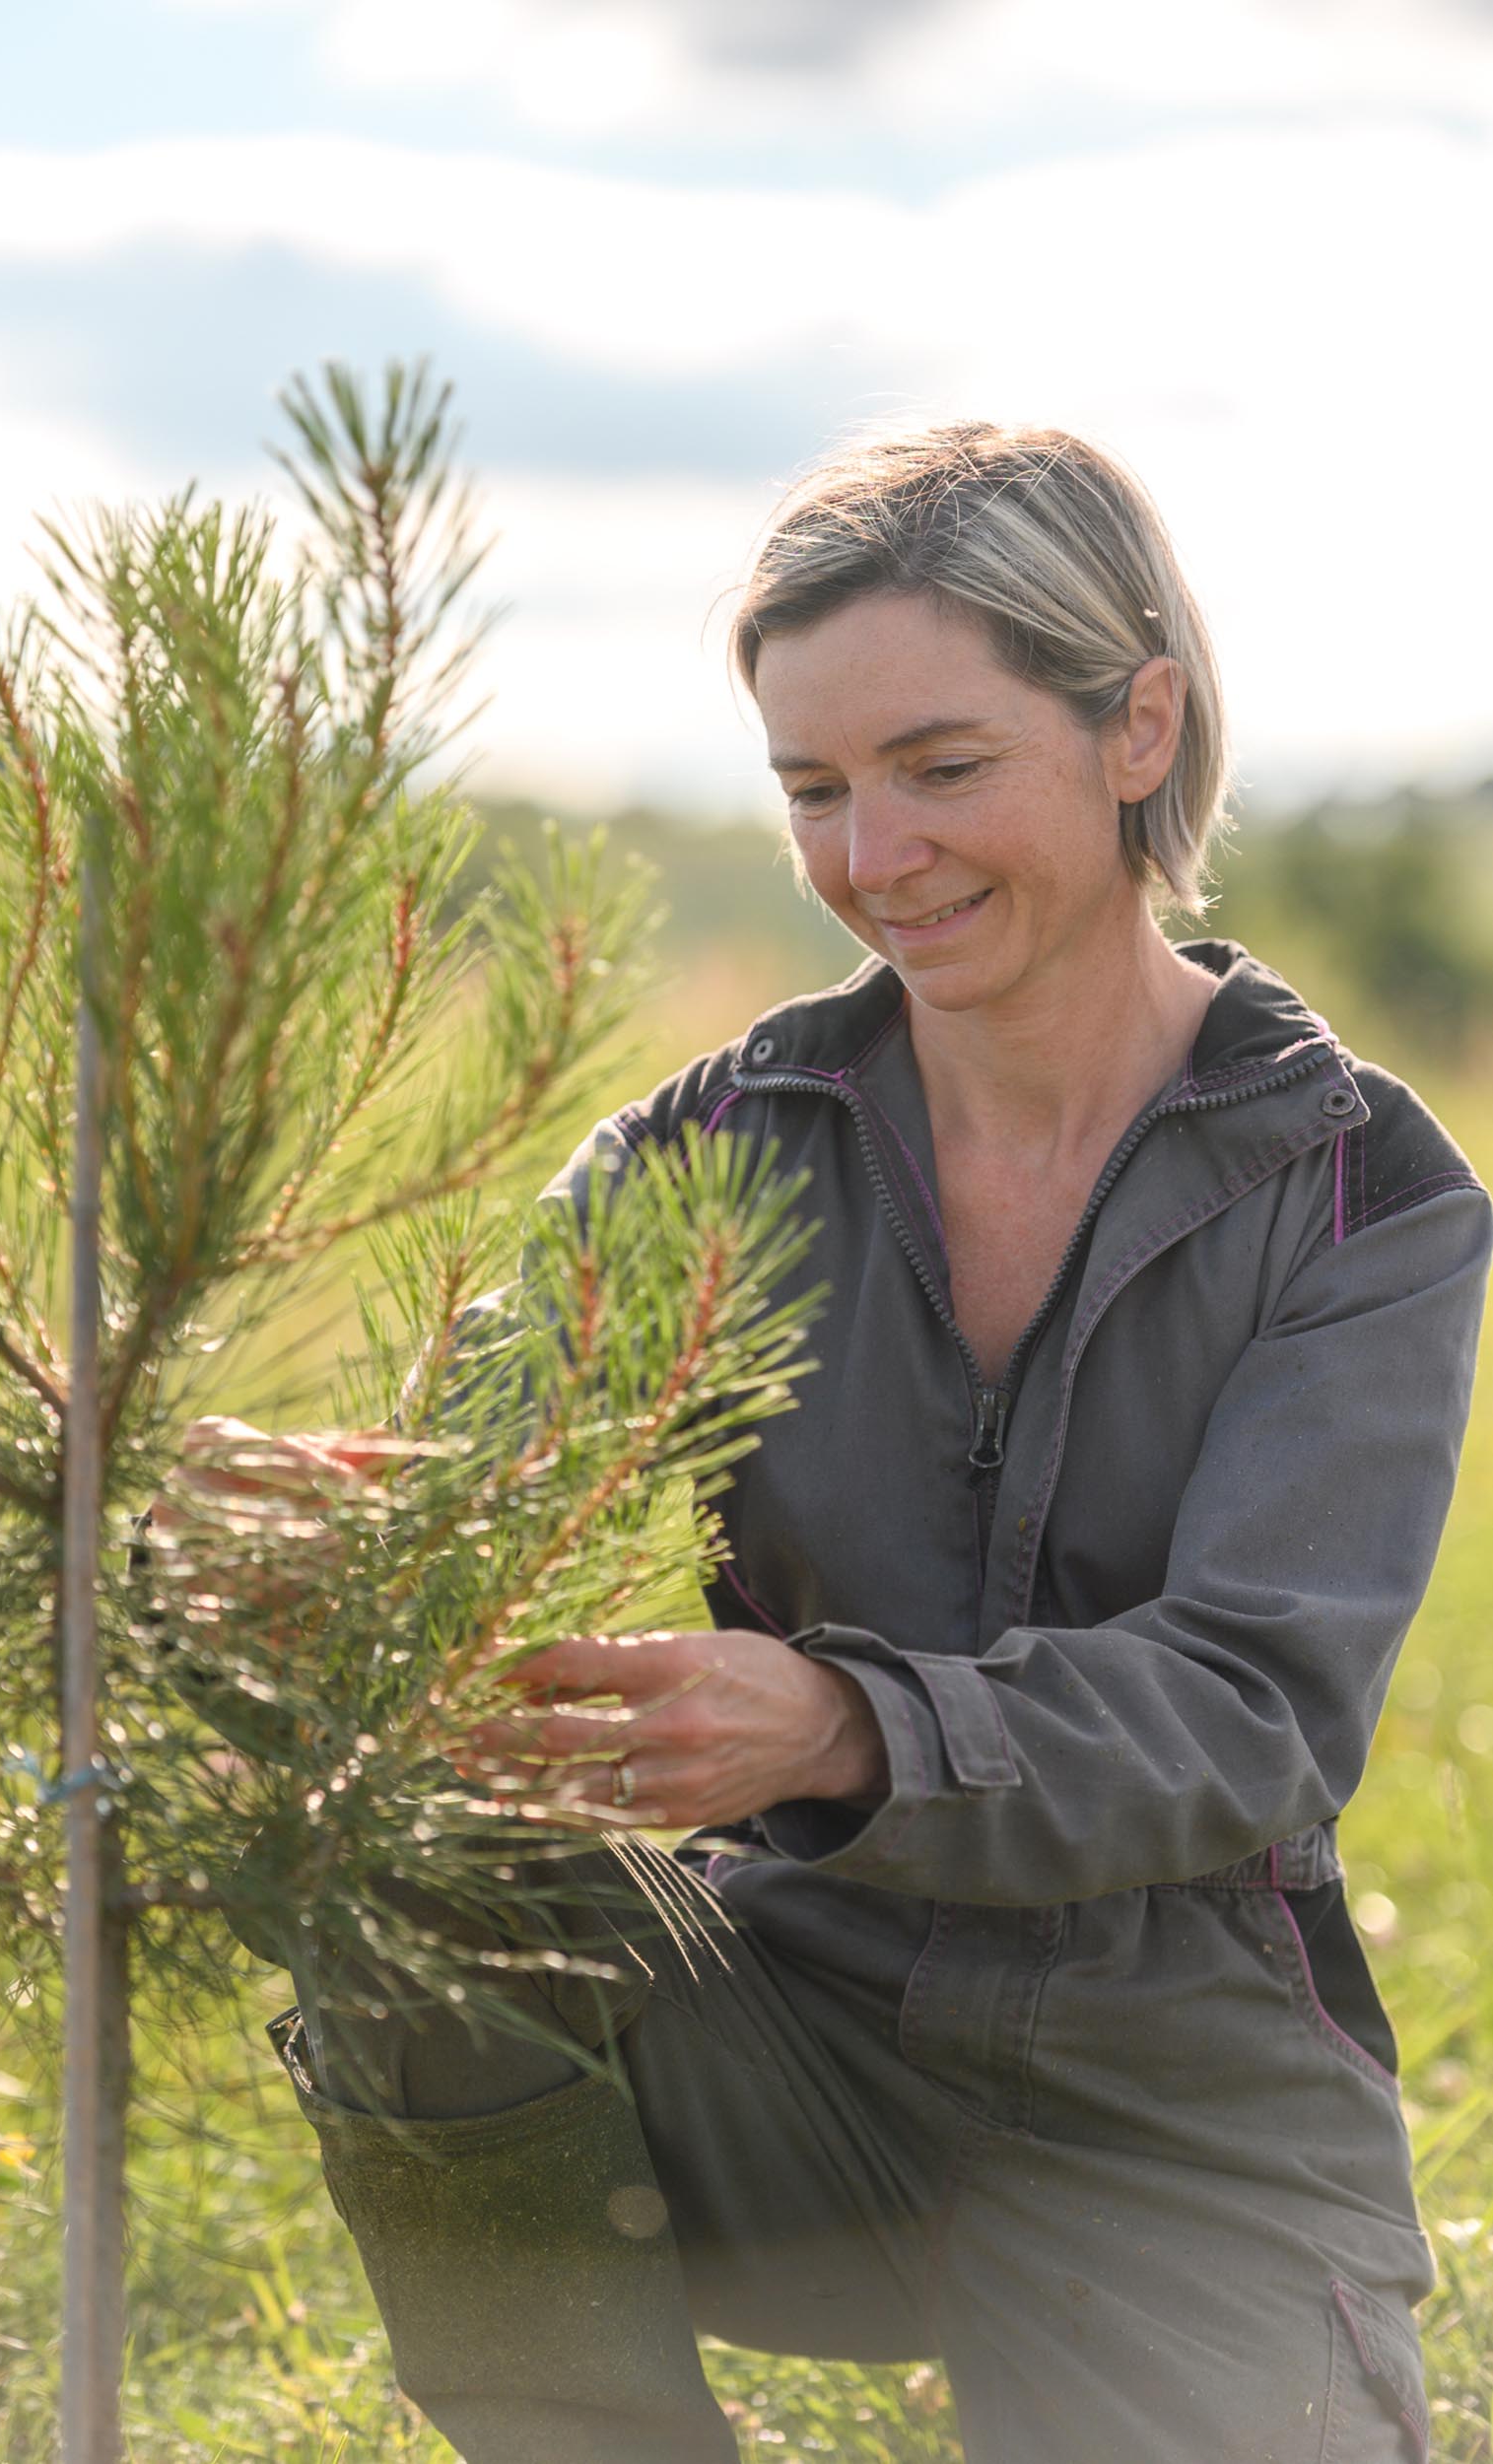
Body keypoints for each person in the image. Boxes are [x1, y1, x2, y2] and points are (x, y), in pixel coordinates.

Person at [199, 423, 1492, 2462]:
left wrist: (838, 1723)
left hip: (1183, 2116)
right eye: (812, 786)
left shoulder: (1357, 1194)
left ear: (1134, 722)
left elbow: (1251, 1708)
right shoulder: (709, 1150)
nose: (869, 851)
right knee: (408, 1864)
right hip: (783, 2031)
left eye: (941, 765)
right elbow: (486, 1489)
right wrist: (332, 1552)